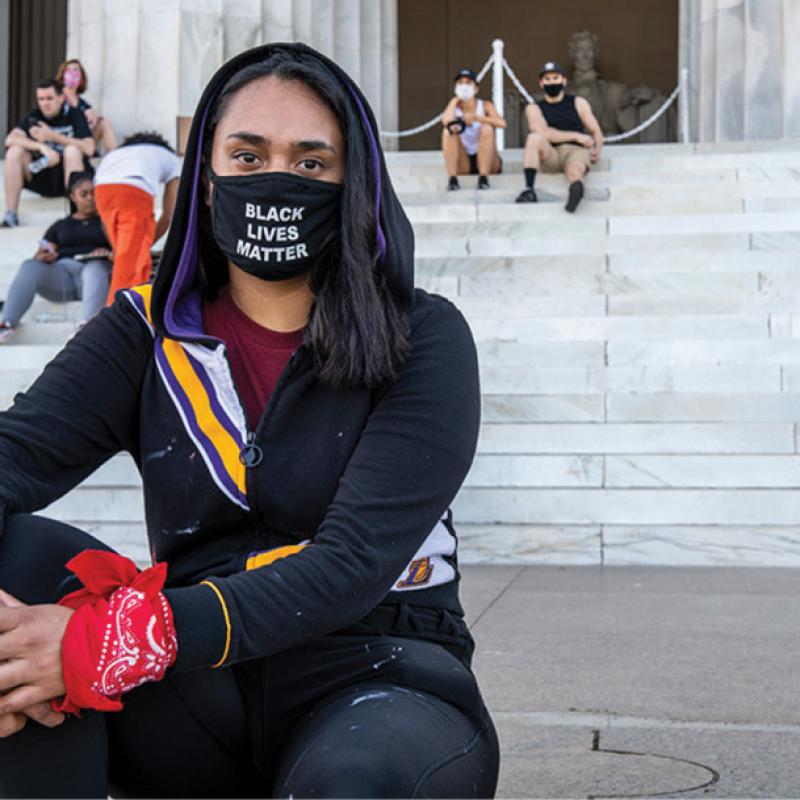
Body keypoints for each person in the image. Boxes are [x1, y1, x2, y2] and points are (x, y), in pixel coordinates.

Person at [0, 42, 500, 798]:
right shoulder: (144, 330)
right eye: (246, 155)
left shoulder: (421, 336)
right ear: (204, 181)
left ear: (352, 182)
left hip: (377, 673)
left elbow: (352, 564)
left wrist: (113, 639)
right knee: (22, 570)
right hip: (191, 694)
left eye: (309, 163)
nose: (274, 179)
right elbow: (14, 454)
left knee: (350, 785)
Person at [0, 172, 112, 344]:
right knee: (30, 266)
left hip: (96, 276)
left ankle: (89, 326)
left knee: (95, 267)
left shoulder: (107, 222)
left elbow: (123, 252)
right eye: (84, 194)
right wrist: (44, 256)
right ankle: (7, 323)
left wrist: (109, 254)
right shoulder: (60, 226)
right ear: (73, 197)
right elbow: (41, 254)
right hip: (63, 277)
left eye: (94, 193)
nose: (90, 198)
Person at [93, 131, 180, 303]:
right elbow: (170, 214)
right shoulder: (171, 158)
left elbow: (105, 222)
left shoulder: (116, 155)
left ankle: (129, 314)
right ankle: (116, 319)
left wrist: (121, 248)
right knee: (131, 267)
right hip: (134, 191)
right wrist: (144, 243)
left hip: (102, 191)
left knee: (127, 261)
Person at [2, 79, 95, 228]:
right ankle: (11, 214)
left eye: (50, 98)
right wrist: (41, 147)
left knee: (72, 150)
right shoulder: (35, 116)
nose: (45, 103)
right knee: (14, 151)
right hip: (43, 174)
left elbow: (89, 148)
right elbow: (10, 139)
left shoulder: (75, 114)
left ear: (61, 98)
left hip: (70, 176)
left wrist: (52, 136)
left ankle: (75, 215)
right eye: (41, 99)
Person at [516, 60, 603, 213]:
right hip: (551, 153)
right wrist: (576, 136)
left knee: (575, 170)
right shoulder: (534, 108)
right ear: (541, 83)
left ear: (564, 80)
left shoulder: (578, 103)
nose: (552, 82)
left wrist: (598, 148)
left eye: (555, 78)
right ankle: (529, 189)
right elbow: (542, 132)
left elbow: (596, 130)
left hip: (576, 151)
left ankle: (575, 194)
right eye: (547, 79)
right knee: (533, 138)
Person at [440, 68, 506, 190]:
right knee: (448, 132)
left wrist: (478, 118)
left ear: (476, 88)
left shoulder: (485, 105)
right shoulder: (454, 107)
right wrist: (454, 101)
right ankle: (452, 179)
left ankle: (483, 178)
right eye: (460, 83)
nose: (464, 86)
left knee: (486, 128)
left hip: (489, 160)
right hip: (464, 160)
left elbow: (502, 123)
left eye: (468, 83)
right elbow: (446, 122)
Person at [57, 58, 119, 153]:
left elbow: (90, 121)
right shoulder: (58, 96)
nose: (73, 74)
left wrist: (95, 116)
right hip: (63, 140)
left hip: (82, 141)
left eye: (76, 70)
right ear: (63, 75)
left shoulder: (83, 103)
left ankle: (117, 156)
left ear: (81, 78)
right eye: (69, 71)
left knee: (103, 122)